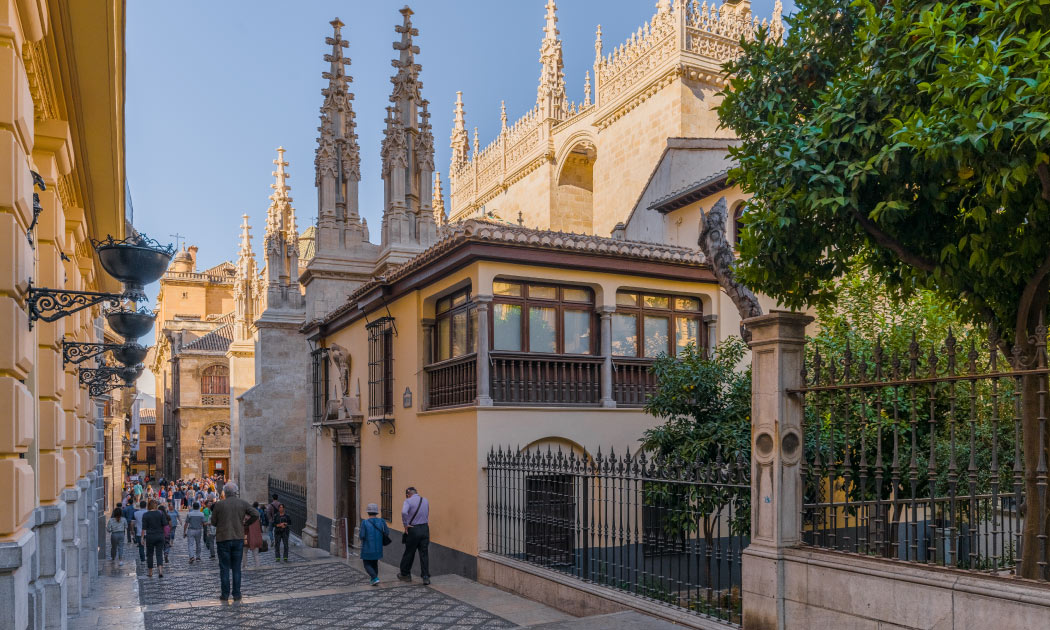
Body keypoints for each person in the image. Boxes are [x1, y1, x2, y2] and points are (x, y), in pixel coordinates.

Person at [209, 481, 258, 602]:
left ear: (225, 493)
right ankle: (237, 594)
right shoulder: (242, 503)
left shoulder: (219, 505)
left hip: (223, 538)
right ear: (235, 492)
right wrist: (246, 523)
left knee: (224, 568)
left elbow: (213, 522)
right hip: (238, 538)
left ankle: (225, 594)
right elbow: (255, 514)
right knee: (236, 568)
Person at [397, 487, 431, 585]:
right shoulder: (425, 500)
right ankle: (425, 577)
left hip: (413, 529)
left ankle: (405, 574)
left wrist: (405, 524)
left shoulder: (408, 501)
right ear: (416, 493)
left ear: (408, 494)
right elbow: (427, 512)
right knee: (424, 553)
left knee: (409, 552)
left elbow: (404, 512)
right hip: (425, 528)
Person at [359, 503, 389, 586]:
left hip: (367, 547)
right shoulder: (382, 521)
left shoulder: (365, 522)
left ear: (368, 512)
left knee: (366, 564)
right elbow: (387, 532)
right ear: (376, 512)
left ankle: (375, 577)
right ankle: (373, 580)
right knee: (374, 563)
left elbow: (362, 535)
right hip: (378, 547)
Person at [140, 500, 167, 578]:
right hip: (160, 535)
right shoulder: (160, 513)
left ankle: (150, 572)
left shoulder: (145, 515)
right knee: (159, 554)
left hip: (150, 536)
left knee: (150, 554)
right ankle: (160, 571)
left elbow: (143, 528)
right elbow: (165, 524)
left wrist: (142, 538)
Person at [242, 502, 263, 569]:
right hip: (256, 537)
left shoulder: (245, 518)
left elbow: (244, 527)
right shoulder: (257, 518)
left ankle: (245, 565)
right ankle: (257, 565)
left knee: (244, 551)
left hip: (246, 537)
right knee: (255, 553)